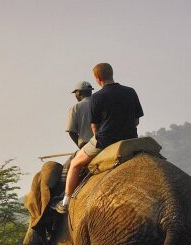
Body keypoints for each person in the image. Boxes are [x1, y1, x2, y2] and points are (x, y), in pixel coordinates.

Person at [54, 63, 144, 213]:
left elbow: (94, 128)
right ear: (112, 73)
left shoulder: (97, 97)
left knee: (75, 164)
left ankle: (65, 202)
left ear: (98, 78)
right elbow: (136, 121)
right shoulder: (130, 92)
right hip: (131, 140)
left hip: (105, 142)